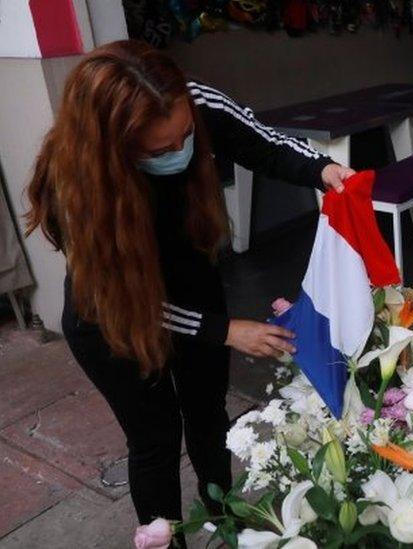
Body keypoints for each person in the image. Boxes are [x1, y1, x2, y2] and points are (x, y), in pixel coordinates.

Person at [24, 40, 354, 528]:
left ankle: (227, 521)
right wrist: (224, 329)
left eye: (185, 138)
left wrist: (322, 169)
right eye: (161, 150)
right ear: (116, 148)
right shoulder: (75, 184)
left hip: (190, 284)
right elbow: (121, 296)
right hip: (114, 317)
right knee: (154, 438)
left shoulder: (194, 104)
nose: (180, 152)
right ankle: (163, 536)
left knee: (208, 416)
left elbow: (264, 142)